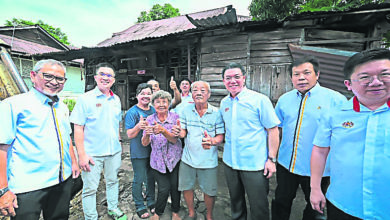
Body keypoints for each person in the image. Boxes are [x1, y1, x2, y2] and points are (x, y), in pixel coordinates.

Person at [310, 48, 390, 220]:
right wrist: (315, 188)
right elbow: (320, 150)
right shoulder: (334, 114)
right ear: (349, 84)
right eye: (365, 77)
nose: (376, 82)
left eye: (385, 74)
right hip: (344, 204)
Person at [0, 59, 80, 219]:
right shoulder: (14, 105)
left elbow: (66, 137)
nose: (54, 82)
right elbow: (2, 147)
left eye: (59, 79)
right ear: (33, 76)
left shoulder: (62, 107)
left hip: (61, 181)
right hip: (28, 186)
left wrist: (74, 162)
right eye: (48, 76)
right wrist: (3, 189)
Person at [272, 56, 346, 220]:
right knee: (281, 201)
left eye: (306, 73)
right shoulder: (284, 100)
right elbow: (276, 129)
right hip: (286, 164)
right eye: (296, 74)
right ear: (291, 78)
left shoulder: (336, 100)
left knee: (315, 208)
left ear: (317, 74)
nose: (301, 78)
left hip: (319, 169)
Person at [220, 62, 280, 220]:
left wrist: (271, 159)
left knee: (258, 205)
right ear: (224, 81)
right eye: (228, 78)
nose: (232, 81)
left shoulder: (259, 100)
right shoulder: (224, 103)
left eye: (236, 77)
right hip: (230, 162)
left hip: (254, 164)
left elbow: (273, 130)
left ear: (244, 78)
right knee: (236, 203)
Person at [70, 62, 126, 220]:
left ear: (114, 80)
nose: (105, 78)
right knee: (90, 188)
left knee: (113, 181)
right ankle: (91, 217)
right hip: (92, 153)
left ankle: (113, 208)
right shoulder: (85, 99)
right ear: (95, 77)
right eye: (102, 74)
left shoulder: (116, 100)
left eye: (109, 75)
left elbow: (117, 124)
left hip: (114, 151)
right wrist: (81, 155)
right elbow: (78, 127)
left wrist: (120, 143)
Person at [172, 81, 224, 220]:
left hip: (208, 161)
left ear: (209, 94)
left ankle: (209, 215)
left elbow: (220, 136)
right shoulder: (185, 111)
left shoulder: (216, 113)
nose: (198, 93)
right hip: (187, 159)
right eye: (195, 90)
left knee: (209, 191)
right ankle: (191, 213)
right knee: (186, 187)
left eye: (202, 90)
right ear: (191, 94)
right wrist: (178, 132)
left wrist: (213, 141)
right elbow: (183, 133)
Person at [141, 90, 183, 220]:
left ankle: (175, 212)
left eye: (164, 101)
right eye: (158, 102)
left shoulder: (175, 118)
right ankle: (158, 213)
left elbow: (174, 140)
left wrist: (163, 131)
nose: (161, 104)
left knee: (176, 187)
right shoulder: (149, 119)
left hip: (174, 159)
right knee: (164, 189)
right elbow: (144, 143)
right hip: (158, 161)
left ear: (169, 103)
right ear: (153, 104)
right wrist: (147, 133)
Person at [125, 83, 156, 219]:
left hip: (153, 151)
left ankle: (150, 200)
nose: (146, 96)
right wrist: (139, 126)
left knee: (151, 178)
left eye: (148, 93)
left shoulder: (154, 110)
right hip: (138, 152)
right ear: (137, 95)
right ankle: (139, 204)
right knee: (139, 178)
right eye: (142, 93)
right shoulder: (132, 112)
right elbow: (129, 135)